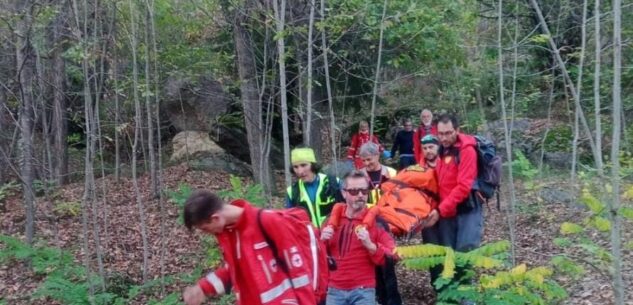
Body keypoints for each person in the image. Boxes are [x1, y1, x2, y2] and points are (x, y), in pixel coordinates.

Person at [181, 191, 319, 305]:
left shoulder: (268, 221)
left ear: (215, 218)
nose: (208, 233)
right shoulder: (230, 234)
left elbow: (299, 273)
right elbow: (234, 272)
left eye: (205, 228)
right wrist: (203, 287)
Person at [422, 114, 483, 299]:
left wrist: (439, 210)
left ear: (457, 130)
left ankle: (466, 299)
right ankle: (450, 298)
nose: (444, 137)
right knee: (448, 257)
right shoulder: (443, 150)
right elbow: (440, 183)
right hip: (446, 212)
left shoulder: (467, 150)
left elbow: (464, 186)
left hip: (467, 210)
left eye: (448, 133)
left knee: (463, 256)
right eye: (441, 134)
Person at [320, 171, 397, 305]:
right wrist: (321, 242)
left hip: (364, 290)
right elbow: (318, 258)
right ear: (344, 193)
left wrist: (371, 246)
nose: (360, 195)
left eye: (364, 191)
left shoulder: (377, 223)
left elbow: (393, 256)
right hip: (334, 290)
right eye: (354, 191)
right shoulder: (330, 221)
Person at [358, 142, 402, 305]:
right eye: (363, 160)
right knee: (372, 266)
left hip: (387, 227)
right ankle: (379, 299)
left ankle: (394, 301)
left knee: (388, 265)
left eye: (369, 159)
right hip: (367, 227)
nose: (367, 163)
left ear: (377, 155)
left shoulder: (391, 173)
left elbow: (399, 199)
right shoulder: (359, 175)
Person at [286, 147, 343, 228]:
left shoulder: (333, 182)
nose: (300, 171)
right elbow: (290, 222)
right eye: (295, 167)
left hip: (334, 235)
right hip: (309, 238)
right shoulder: (292, 192)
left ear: (313, 165)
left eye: (303, 165)